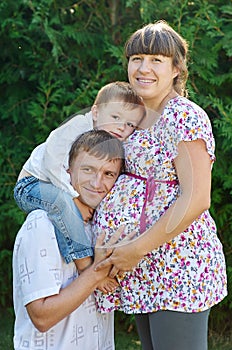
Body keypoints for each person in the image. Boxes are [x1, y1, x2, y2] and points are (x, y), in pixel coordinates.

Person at [92, 21, 228, 350]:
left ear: (176, 69)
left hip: (178, 265)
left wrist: (133, 250)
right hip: (142, 267)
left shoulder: (183, 117)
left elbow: (196, 199)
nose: (144, 68)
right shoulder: (134, 117)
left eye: (156, 60)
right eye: (137, 58)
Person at [13, 81, 145, 278]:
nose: (121, 127)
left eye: (129, 124)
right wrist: (74, 198)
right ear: (95, 112)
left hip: (57, 186)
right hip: (33, 184)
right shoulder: (77, 127)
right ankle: (86, 268)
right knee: (63, 203)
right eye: (116, 117)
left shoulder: (106, 143)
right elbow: (52, 162)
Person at [13, 129, 126, 350]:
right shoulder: (41, 225)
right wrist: (96, 273)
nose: (97, 182)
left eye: (109, 174)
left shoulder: (101, 224)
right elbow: (42, 317)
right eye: (87, 170)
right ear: (68, 172)